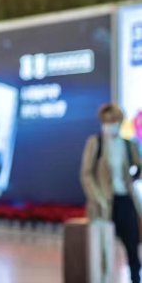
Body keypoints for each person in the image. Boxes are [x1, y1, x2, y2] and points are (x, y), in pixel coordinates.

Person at [81, 103, 142, 283]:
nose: (109, 126)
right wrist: (97, 197)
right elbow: (86, 173)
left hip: (125, 199)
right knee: (103, 248)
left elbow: (138, 166)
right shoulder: (96, 143)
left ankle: (135, 276)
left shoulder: (127, 145)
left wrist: (131, 178)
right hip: (104, 203)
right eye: (106, 122)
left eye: (113, 122)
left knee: (132, 243)